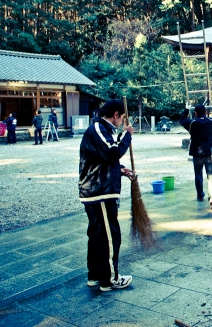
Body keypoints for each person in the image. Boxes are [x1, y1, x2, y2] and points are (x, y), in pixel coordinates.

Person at [79, 99, 134, 292]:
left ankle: (95, 276)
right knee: (110, 236)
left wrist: (119, 170)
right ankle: (110, 279)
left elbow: (101, 159)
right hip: (99, 191)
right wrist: (127, 136)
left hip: (97, 190)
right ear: (116, 114)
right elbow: (113, 152)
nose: (122, 122)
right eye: (122, 118)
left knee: (97, 235)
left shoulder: (100, 129)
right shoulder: (99, 128)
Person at [180, 105, 212, 207]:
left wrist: (187, 109)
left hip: (196, 154)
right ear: (206, 112)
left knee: (198, 175)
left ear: (196, 113)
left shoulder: (192, 123)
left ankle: (200, 195)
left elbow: (182, 120)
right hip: (209, 153)